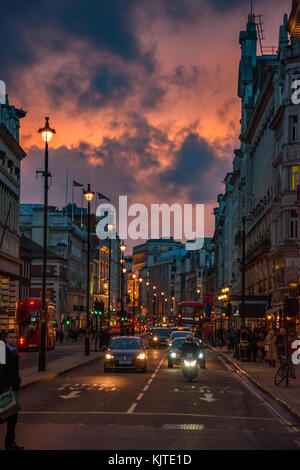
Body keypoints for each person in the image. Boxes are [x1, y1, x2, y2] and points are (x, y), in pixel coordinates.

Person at [0, 330, 23, 450]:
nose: (13, 339)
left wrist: (17, 381)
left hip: (13, 389)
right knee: (6, 415)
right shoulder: (3, 352)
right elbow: (2, 372)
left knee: (12, 416)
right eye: (10, 337)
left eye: (15, 337)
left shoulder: (13, 351)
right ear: (6, 339)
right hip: (6, 390)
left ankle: (10, 443)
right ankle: (9, 443)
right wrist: (5, 390)